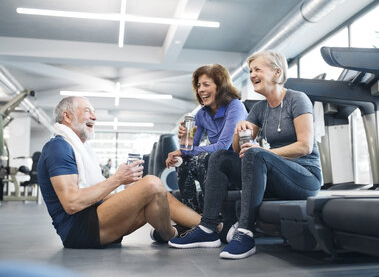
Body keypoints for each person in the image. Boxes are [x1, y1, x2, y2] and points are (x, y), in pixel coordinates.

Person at [169, 51, 322, 259]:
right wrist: (239, 132)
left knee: (256, 154)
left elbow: (304, 147)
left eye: (257, 69)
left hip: (304, 176)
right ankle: (207, 228)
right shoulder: (259, 108)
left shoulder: (297, 99)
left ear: (277, 73)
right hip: (275, 177)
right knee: (220, 157)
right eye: (250, 70)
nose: (252, 75)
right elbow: (236, 150)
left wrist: (262, 152)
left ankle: (245, 233)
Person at [37, 96, 201, 249]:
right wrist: (117, 179)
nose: (94, 117)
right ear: (67, 116)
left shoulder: (82, 149)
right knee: (152, 183)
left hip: (94, 219)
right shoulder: (58, 147)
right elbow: (72, 203)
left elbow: (96, 197)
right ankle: (174, 234)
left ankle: (213, 228)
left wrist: (127, 189)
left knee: (159, 194)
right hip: (80, 231)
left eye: (94, 112)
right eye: (87, 111)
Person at [165, 64, 248, 213]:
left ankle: (212, 215)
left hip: (238, 165)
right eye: (198, 86)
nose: (201, 89)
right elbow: (189, 149)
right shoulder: (201, 114)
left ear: (220, 87)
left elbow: (222, 146)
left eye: (206, 84)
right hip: (217, 164)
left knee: (205, 158)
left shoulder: (235, 106)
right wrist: (183, 140)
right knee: (184, 162)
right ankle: (192, 215)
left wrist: (185, 151)